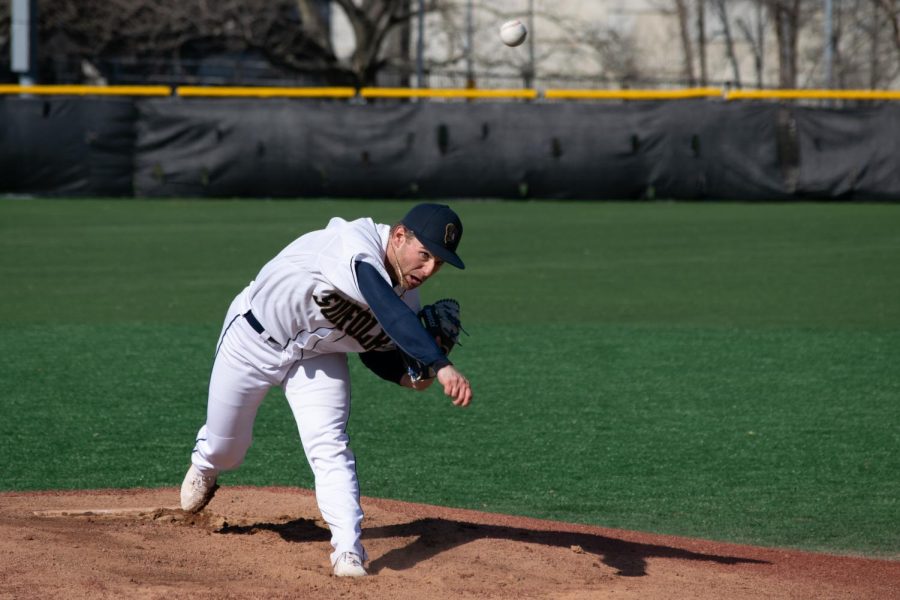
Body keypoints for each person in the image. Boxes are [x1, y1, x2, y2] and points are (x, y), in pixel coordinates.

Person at [179, 203, 473, 578]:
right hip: (253, 340)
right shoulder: (354, 245)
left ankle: (348, 551)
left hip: (317, 355)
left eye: (439, 263)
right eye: (425, 255)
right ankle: (207, 462)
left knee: (330, 443)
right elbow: (380, 300)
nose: (429, 270)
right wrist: (439, 363)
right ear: (399, 236)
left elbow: (373, 350)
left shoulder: (406, 299)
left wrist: (413, 376)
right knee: (227, 449)